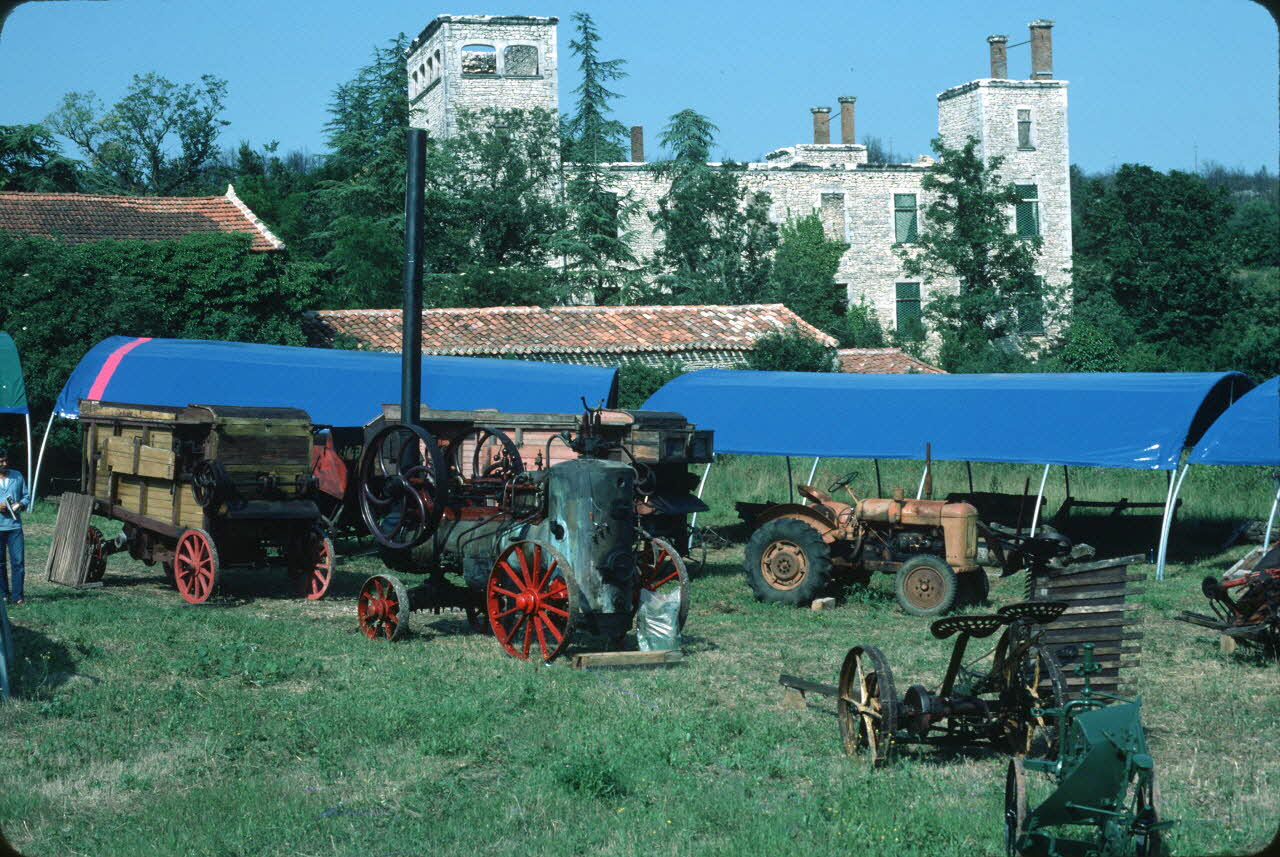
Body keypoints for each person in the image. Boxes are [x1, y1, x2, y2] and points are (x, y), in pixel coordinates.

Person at [0, 448, 30, 605]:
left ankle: (18, 596)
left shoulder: (17, 476)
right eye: (1, 462)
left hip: (15, 527)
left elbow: (26, 497)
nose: (5, 464)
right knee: (0, 563)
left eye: (6, 460)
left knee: (18, 562)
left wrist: (21, 505)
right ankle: (3, 594)